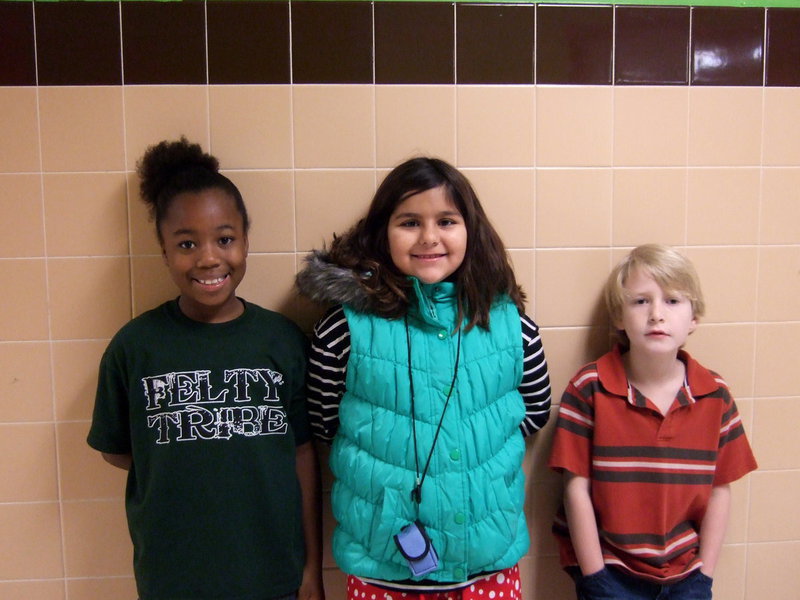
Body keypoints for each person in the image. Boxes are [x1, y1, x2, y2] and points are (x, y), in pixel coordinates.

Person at [295, 157, 552, 599]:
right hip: (384, 567)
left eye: (447, 221)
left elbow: (533, 413)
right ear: (382, 233)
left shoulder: (512, 324)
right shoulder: (343, 329)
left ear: (471, 231)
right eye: (410, 222)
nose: (430, 237)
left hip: (486, 566)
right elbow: (323, 423)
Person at [87, 138, 324, 600]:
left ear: (246, 239)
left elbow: (302, 457)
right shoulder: (135, 348)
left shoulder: (281, 341)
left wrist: (312, 568)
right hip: (173, 579)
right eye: (187, 243)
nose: (209, 258)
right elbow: (119, 450)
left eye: (225, 239)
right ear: (163, 250)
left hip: (272, 578)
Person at [548, 244, 757, 600]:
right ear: (618, 317)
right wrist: (595, 576)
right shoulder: (590, 388)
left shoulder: (715, 395)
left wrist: (704, 574)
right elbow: (575, 489)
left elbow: (720, 491)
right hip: (609, 575)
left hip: (687, 575)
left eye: (673, 301)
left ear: (694, 319)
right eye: (640, 301)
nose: (656, 314)